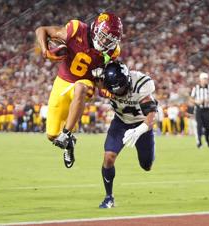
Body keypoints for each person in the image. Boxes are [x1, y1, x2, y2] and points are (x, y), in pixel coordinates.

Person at [35, 12, 122, 168]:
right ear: (96, 28)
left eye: (110, 40)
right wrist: (45, 51)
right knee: (51, 134)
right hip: (62, 81)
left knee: (81, 88)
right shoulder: (76, 29)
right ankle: (69, 143)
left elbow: (101, 76)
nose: (105, 42)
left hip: (85, 83)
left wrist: (105, 87)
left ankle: (67, 133)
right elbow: (41, 30)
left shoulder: (112, 51)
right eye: (104, 36)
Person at [95, 62, 157, 208]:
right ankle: (109, 197)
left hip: (141, 124)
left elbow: (152, 113)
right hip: (120, 122)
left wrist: (140, 130)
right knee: (108, 157)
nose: (119, 92)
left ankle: (148, 152)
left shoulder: (140, 84)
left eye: (122, 88)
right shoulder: (102, 81)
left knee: (146, 165)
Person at [190, 72, 209, 148]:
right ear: (200, 80)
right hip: (198, 109)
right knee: (199, 126)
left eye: (206, 79)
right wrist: (197, 101)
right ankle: (199, 142)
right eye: (204, 79)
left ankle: (207, 141)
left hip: (207, 109)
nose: (205, 80)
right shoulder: (196, 88)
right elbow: (191, 98)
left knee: (207, 126)